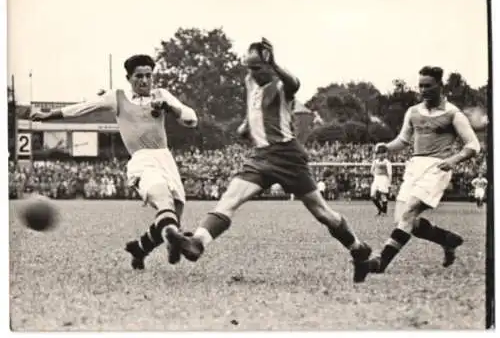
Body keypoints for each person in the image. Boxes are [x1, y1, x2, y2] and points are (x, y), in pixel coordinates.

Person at [165, 38, 372, 283]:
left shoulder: (282, 87)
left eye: (258, 67)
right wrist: (247, 125)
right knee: (229, 200)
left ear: (269, 65)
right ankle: (197, 242)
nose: (252, 72)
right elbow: (254, 108)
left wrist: (275, 63)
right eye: (249, 66)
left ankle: (358, 249)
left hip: (287, 156)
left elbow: (295, 83)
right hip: (260, 156)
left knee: (322, 212)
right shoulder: (249, 81)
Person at [30, 54, 198, 269]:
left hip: (165, 158)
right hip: (142, 159)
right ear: (129, 78)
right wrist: (49, 115)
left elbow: (191, 119)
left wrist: (169, 107)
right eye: (139, 76)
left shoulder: (162, 95)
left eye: (148, 76)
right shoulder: (117, 97)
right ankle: (172, 237)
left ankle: (141, 247)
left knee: (173, 214)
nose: (145, 81)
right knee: (163, 200)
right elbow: (84, 107)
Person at [357, 66, 481, 282]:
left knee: (410, 211)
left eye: (428, 85)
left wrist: (452, 160)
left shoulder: (453, 113)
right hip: (414, 166)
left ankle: (380, 262)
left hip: (437, 167)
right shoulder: (413, 111)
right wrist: (386, 146)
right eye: (420, 85)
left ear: (440, 86)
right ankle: (447, 239)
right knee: (405, 221)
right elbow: (403, 140)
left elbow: (473, 145)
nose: (423, 89)